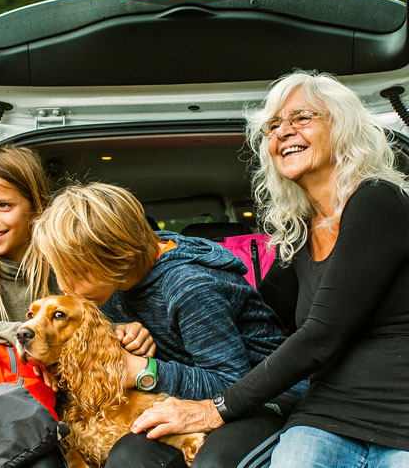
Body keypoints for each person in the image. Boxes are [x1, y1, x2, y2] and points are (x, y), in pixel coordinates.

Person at [129, 70, 409, 467]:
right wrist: (147, 323)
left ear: (343, 124)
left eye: (302, 118)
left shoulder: (379, 201)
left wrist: (216, 408)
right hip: (323, 419)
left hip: (400, 419)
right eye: (273, 126)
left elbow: (321, 336)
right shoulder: (298, 234)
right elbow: (250, 314)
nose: (283, 132)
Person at [31, 182, 301, 468]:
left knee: (212, 462)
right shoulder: (112, 284)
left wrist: (144, 371)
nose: (64, 285)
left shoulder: (189, 288)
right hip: (186, 399)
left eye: (72, 271)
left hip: (266, 399)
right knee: (128, 455)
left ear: (111, 257)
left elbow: (234, 384)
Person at [0, 145, 154, 468]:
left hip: (39, 402)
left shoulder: (58, 265)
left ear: (35, 207)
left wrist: (124, 331)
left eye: (3, 206)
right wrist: (24, 333)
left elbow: (85, 326)